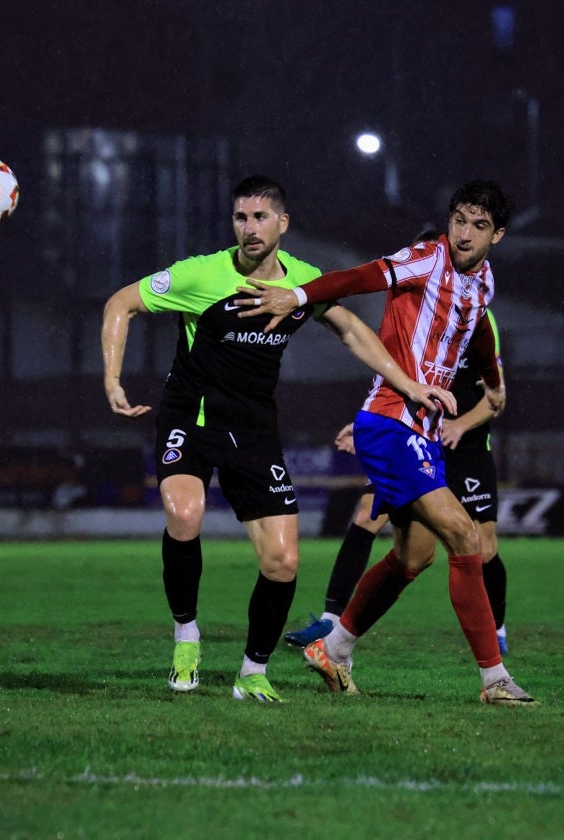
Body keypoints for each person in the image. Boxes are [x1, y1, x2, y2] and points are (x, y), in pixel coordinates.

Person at [101, 175, 454, 702]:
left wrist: (407, 384)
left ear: (283, 224)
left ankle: (252, 672)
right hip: (190, 416)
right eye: (241, 217)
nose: (249, 228)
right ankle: (186, 636)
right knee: (184, 512)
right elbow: (120, 303)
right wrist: (111, 378)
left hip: (254, 426)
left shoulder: (301, 283)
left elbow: (353, 330)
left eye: (261, 217)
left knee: (284, 562)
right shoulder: (202, 274)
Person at [237, 179, 536, 705]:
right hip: (391, 421)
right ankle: (495, 680)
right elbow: (359, 278)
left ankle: (335, 647)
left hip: (420, 433)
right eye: (459, 220)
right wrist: (300, 295)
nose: (465, 234)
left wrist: (492, 382)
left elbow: (479, 331)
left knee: (413, 557)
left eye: (479, 226)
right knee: (465, 537)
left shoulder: (482, 281)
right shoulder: (425, 257)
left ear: (499, 235)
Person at [285, 310, 511, 656]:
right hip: (416, 439)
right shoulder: (416, 318)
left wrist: (461, 425)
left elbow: (494, 397)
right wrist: (366, 424)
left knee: (482, 545)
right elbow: (398, 384)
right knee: (366, 516)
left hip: (466, 447)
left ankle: (496, 629)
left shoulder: (479, 316)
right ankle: (332, 620)